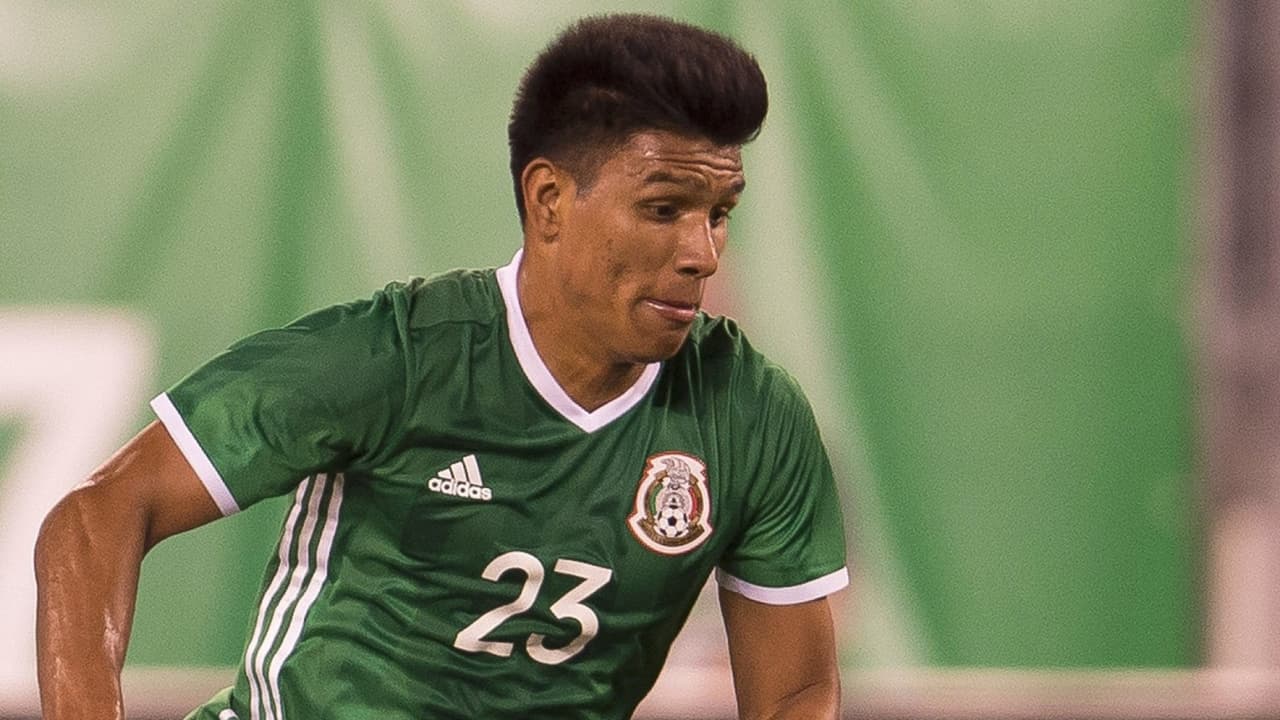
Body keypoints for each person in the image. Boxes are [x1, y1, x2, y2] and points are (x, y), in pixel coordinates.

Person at [35, 12, 848, 720]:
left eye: (720, 213)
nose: (702, 252)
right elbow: (97, 515)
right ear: (549, 201)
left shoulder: (753, 414)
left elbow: (795, 695)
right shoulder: (395, 357)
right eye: (664, 209)